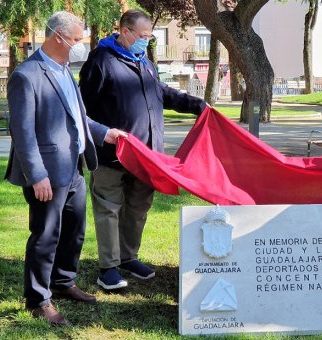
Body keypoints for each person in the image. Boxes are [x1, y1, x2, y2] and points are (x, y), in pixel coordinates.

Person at [5, 11, 126, 326]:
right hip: (46, 173)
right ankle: (38, 299)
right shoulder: (26, 75)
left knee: (74, 230)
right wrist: (37, 175)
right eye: (76, 39)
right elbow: (22, 131)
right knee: (46, 235)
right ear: (57, 37)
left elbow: (77, 118)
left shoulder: (64, 70)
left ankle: (63, 281)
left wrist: (104, 133)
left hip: (74, 167)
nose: (80, 45)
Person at [79, 9, 207, 290]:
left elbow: (160, 92)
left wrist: (197, 105)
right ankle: (108, 267)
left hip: (146, 156)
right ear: (125, 32)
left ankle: (128, 257)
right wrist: (103, 134)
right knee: (109, 208)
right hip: (112, 155)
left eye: (149, 37)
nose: (147, 42)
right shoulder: (101, 61)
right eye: (143, 36)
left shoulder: (143, 61)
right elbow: (80, 110)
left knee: (138, 207)